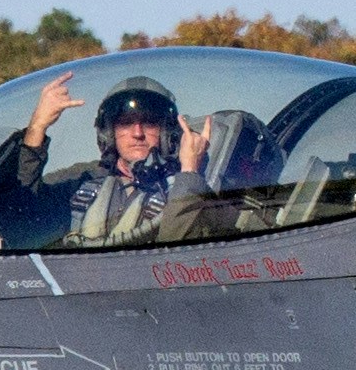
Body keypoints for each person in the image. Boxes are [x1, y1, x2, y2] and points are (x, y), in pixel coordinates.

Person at [20, 71, 223, 248]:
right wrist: (37, 129)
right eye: (125, 123)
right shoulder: (85, 180)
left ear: (167, 132)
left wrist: (189, 171)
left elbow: (181, 252)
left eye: (149, 123)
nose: (137, 133)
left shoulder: (186, 185)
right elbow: (22, 208)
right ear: (108, 133)